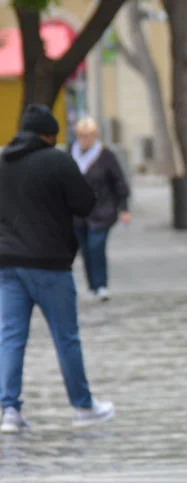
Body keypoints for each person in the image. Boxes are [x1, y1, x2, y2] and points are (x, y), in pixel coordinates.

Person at [0, 105, 116, 433]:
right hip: (50, 263)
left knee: (10, 337)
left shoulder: (3, 162)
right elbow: (86, 204)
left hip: (8, 264)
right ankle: (82, 406)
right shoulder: (58, 160)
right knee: (66, 338)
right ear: (48, 134)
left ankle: (9, 410)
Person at [71, 117, 130, 301]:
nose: (85, 140)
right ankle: (92, 286)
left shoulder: (105, 156)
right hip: (78, 214)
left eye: (88, 136)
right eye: (81, 136)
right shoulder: (71, 154)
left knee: (97, 246)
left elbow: (119, 181)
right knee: (86, 250)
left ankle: (101, 284)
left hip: (102, 210)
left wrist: (124, 207)